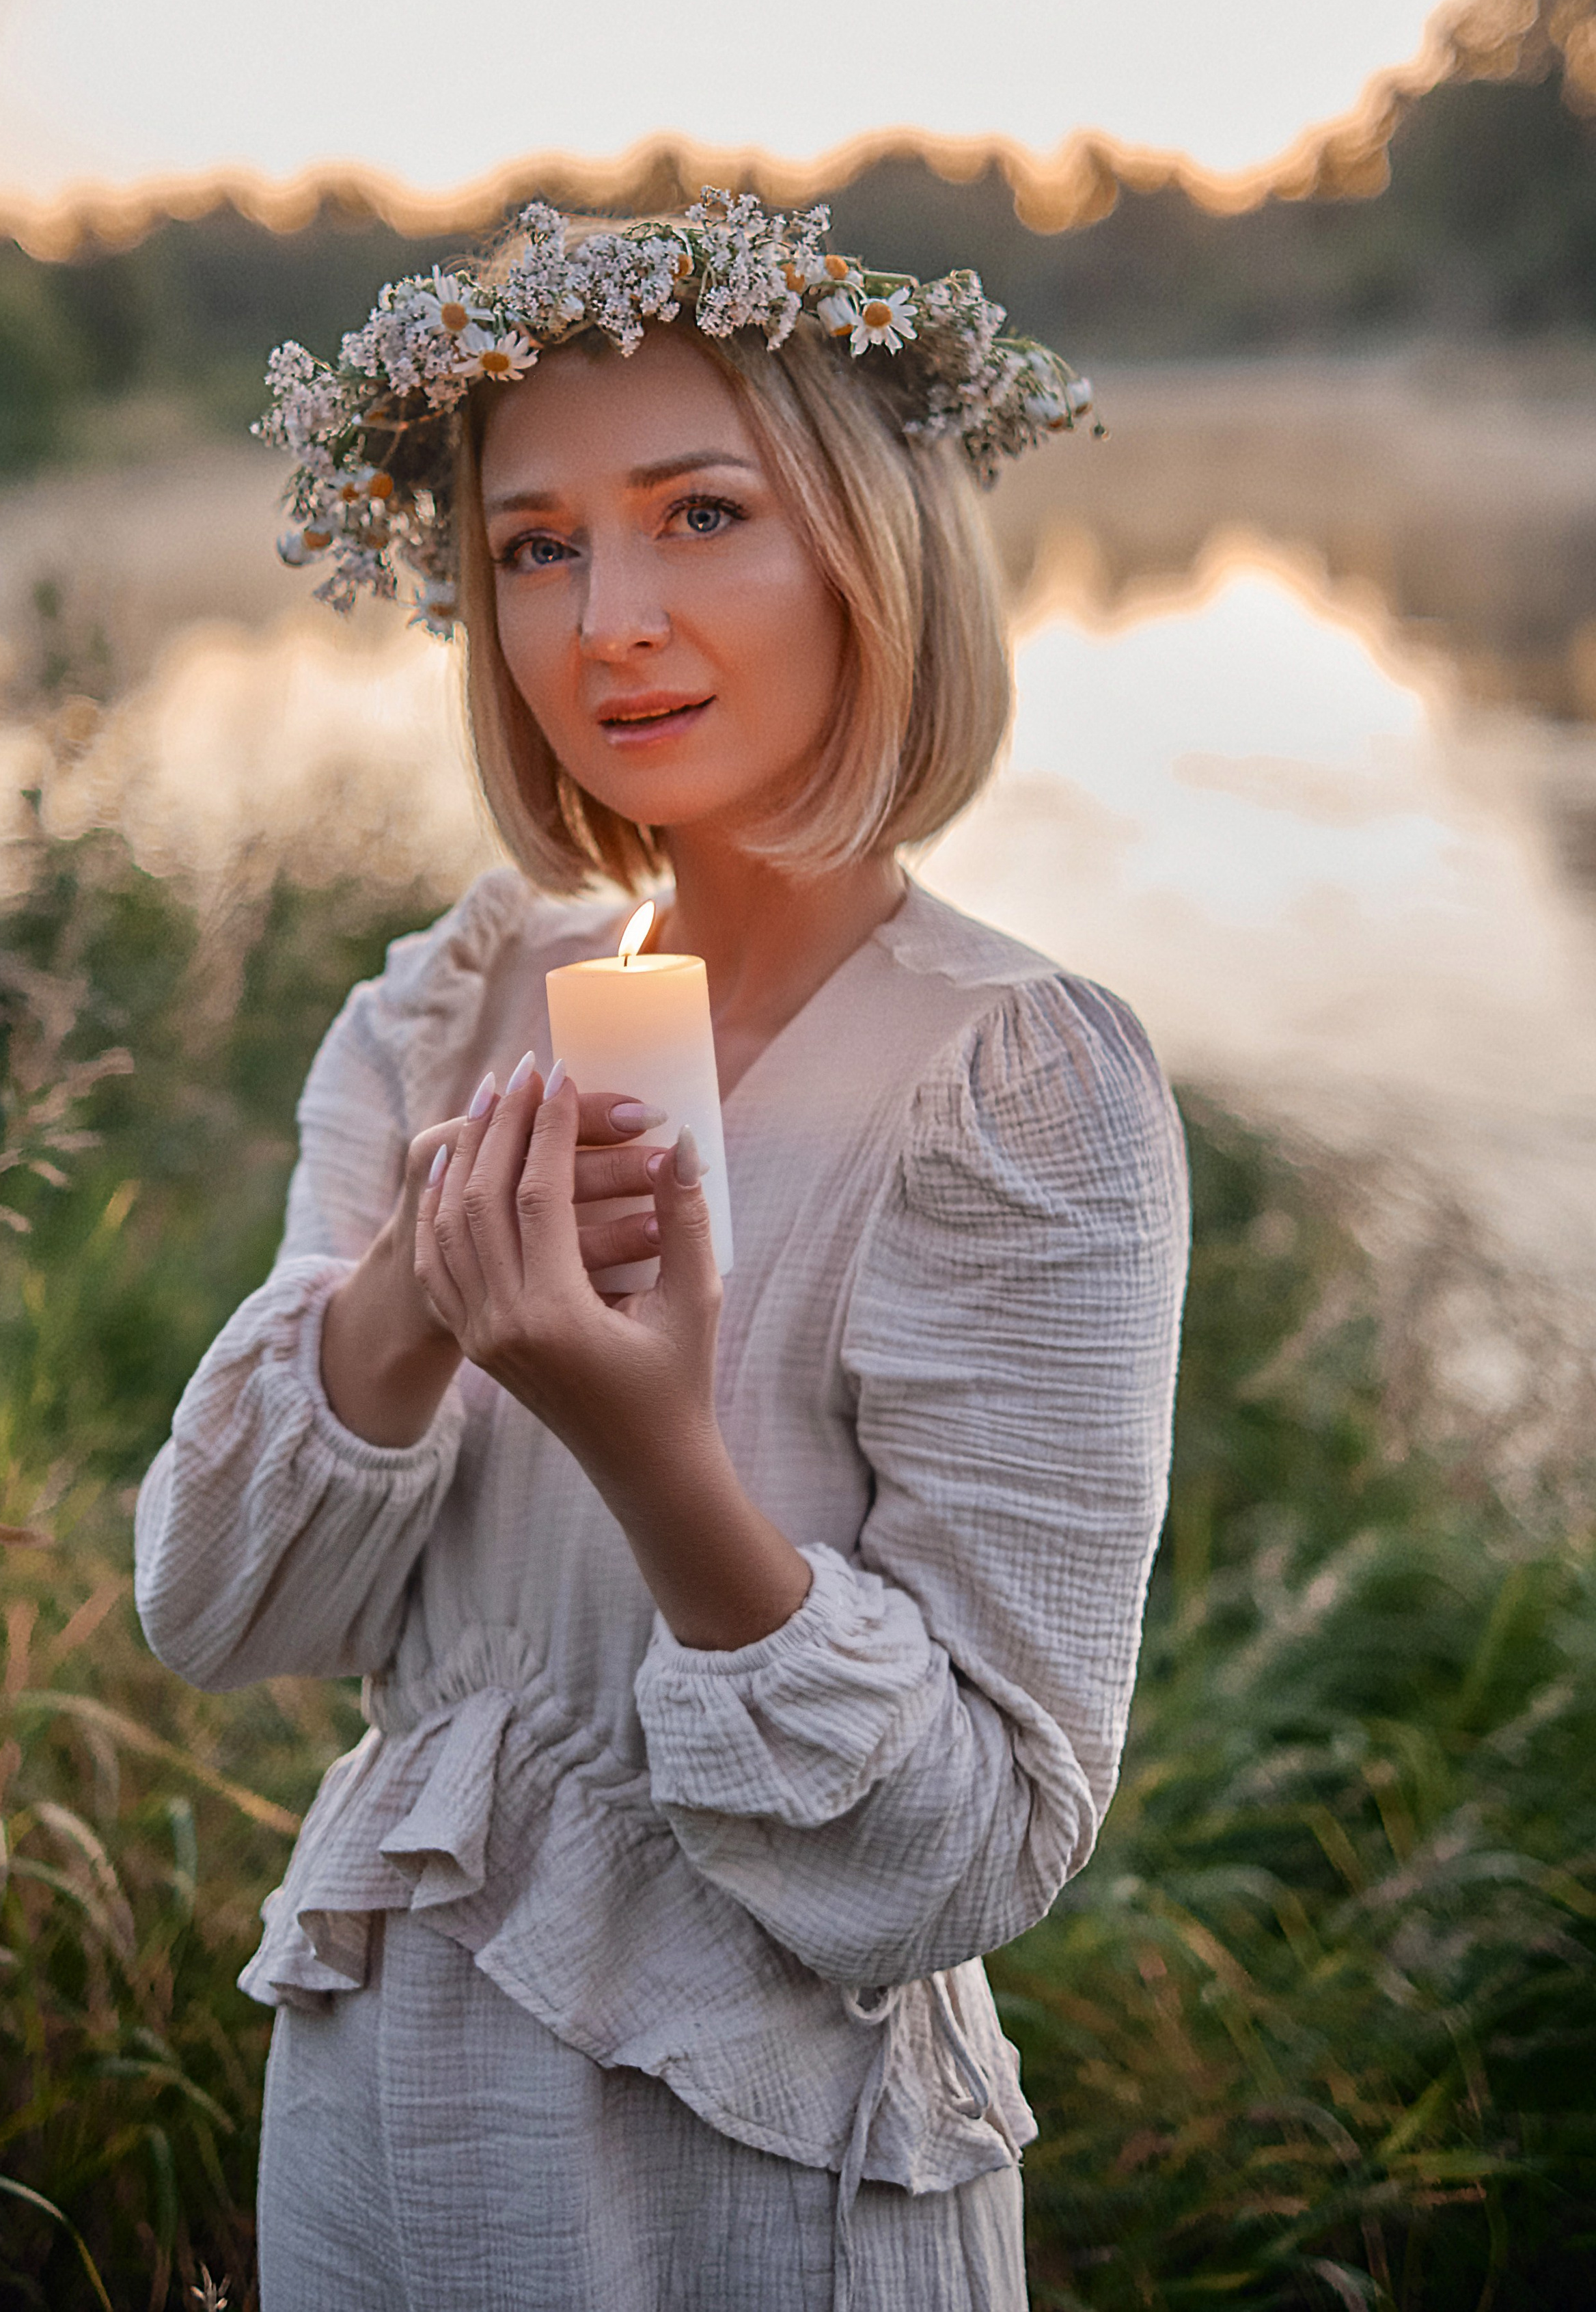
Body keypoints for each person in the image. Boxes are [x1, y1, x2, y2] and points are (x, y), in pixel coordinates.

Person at [135, 192, 1191, 2312]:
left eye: (703, 512)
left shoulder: (1018, 1089)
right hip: (376, 2117)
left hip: (751, 2169)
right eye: (534, 544)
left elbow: (969, 1851)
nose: (608, 616)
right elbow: (216, 1599)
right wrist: (423, 1295)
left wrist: (657, 1455)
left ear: (874, 553)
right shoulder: (440, 1016)